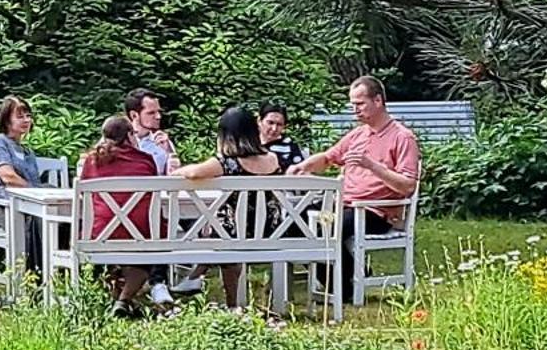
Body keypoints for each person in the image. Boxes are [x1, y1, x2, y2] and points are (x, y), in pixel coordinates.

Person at [289, 75, 421, 299]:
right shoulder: (358, 134)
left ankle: (344, 287)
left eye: (360, 104)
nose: (355, 110)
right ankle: (348, 279)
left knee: (328, 228)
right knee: (294, 224)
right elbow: (329, 157)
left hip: (375, 211)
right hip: (344, 204)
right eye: (352, 105)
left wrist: (372, 166)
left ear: (378, 101)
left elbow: (408, 185)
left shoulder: (402, 137)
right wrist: (303, 166)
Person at [174, 106, 282, 307]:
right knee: (224, 228)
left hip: (233, 233)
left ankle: (197, 277)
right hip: (270, 231)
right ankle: (202, 282)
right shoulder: (272, 159)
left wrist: (176, 171)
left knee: (220, 228)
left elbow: (194, 173)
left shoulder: (227, 163)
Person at [78, 115, 158, 314]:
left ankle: (119, 299)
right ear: (130, 136)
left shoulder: (92, 160)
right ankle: (123, 299)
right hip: (140, 234)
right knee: (153, 241)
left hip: (99, 233)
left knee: (101, 226)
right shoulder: (145, 161)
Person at [124, 87, 196, 302]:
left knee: (198, 217)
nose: (158, 117)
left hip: (161, 202)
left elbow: (174, 178)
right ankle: (159, 282)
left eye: (159, 112)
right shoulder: (119, 140)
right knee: (159, 223)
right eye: (151, 113)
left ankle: (196, 271)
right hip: (128, 206)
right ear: (134, 115)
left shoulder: (162, 141)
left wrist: (169, 155)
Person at [0, 95, 48, 267]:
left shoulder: (27, 151)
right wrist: (36, 191)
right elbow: (8, 176)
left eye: (28, 116)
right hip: (7, 207)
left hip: (31, 204)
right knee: (43, 218)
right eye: (20, 116)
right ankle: (34, 272)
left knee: (59, 217)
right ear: (7, 120)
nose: (26, 120)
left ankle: (54, 270)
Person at [259, 103, 306, 170]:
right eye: (270, 123)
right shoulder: (249, 143)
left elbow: (299, 171)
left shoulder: (290, 145)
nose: (274, 128)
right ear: (259, 121)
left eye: (279, 124)